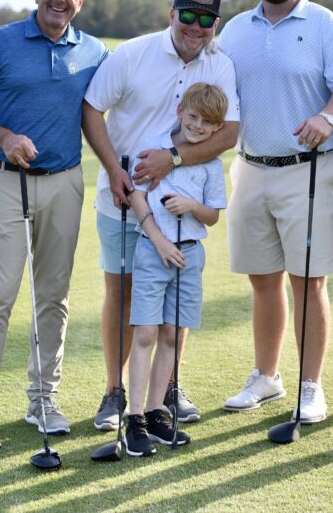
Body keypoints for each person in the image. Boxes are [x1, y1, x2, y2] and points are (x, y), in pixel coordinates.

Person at [0, 0, 108, 450]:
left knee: (54, 296)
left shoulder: (94, 52)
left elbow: (102, 114)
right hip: (7, 181)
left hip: (65, 183)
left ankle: (43, 399)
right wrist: (5, 137)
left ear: (80, 1)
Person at [217, 0, 333, 424]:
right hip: (250, 168)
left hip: (309, 169)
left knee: (308, 282)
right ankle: (267, 377)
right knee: (263, 281)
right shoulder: (236, 29)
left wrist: (327, 116)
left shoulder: (324, 24)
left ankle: (310, 385)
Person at [83, 0, 239, 432]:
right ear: (172, 14)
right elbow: (91, 110)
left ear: (215, 24)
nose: (195, 27)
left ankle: (167, 389)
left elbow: (229, 133)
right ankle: (115, 391)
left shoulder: (221, 64)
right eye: (187, 16)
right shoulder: (132, 54)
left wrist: (172, 158)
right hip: (122, 196)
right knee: (122, 293)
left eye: (205, 20)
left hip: (178, 209)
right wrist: (114, 170)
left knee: (174, 297)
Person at [123, 83, 229, 457]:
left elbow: (212, 216)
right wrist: (159, 241)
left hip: (190, 255)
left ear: (218, 128)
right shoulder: (155, 149)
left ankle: (156, 413)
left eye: (207, 123)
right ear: (181, 111)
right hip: (154, 250)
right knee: (146, 333)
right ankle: (134, 419)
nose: (198, 126)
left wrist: (191, 206)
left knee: (171, 334)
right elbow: (136, 195)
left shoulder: (211, 165)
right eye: (193, 117)